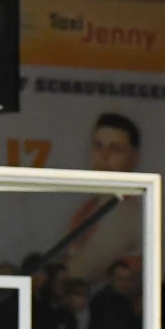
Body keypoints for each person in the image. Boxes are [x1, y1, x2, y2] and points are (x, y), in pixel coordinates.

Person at [61, 113, 146, 286]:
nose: (104, 156)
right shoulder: (93, 206)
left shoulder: (126, 213)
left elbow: (77, 272)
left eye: (115, 149)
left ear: (134, 158)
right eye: (98, 146)